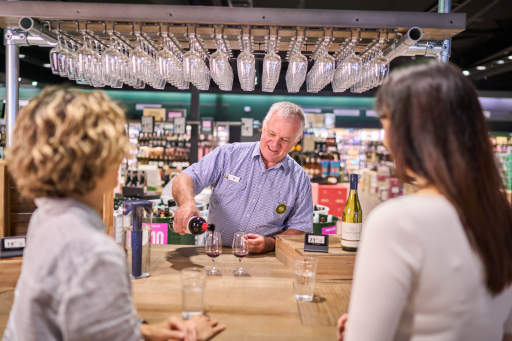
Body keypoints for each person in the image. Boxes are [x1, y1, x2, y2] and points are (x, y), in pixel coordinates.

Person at [2, 87, 225, 341]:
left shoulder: (44, 218)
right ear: (97, 159)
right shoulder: (95, 253)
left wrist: (144, 330)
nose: (122, 157)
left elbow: (76, 320)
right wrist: (192, 336)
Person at [337, 62, 512, 341]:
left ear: (413, 134)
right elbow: (504, 332)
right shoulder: (501, 215)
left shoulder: (396, 222)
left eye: (386, 127)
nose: (384, 142)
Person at [172, 101, 313, 253]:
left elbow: (300, 228)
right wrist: (187, 203)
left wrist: (270, 243)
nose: (275, 143)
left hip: (263, 260)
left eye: (284, 140)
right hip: (214, 252)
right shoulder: (229, 155)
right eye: (271, 134)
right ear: (263, 127)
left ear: (296, 140)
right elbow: (185, 177)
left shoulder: (300, 180)